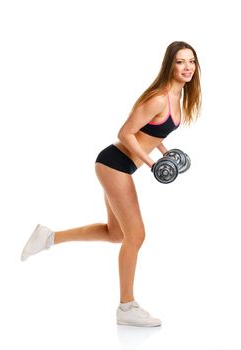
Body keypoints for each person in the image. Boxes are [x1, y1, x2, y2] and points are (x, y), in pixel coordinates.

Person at [21, 41, 202, 327]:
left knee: (115, 234)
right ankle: (126, 307)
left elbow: (152, 133)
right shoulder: (159, 98)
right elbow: (126, 132)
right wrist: (153, 163)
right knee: (137, 235)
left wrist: (166, 154)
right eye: (180, 62)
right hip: (114, 163)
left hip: (122, 165)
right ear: (170, 64)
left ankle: (48, 237)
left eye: (191, 61)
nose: (187, 67)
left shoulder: (177, 97)